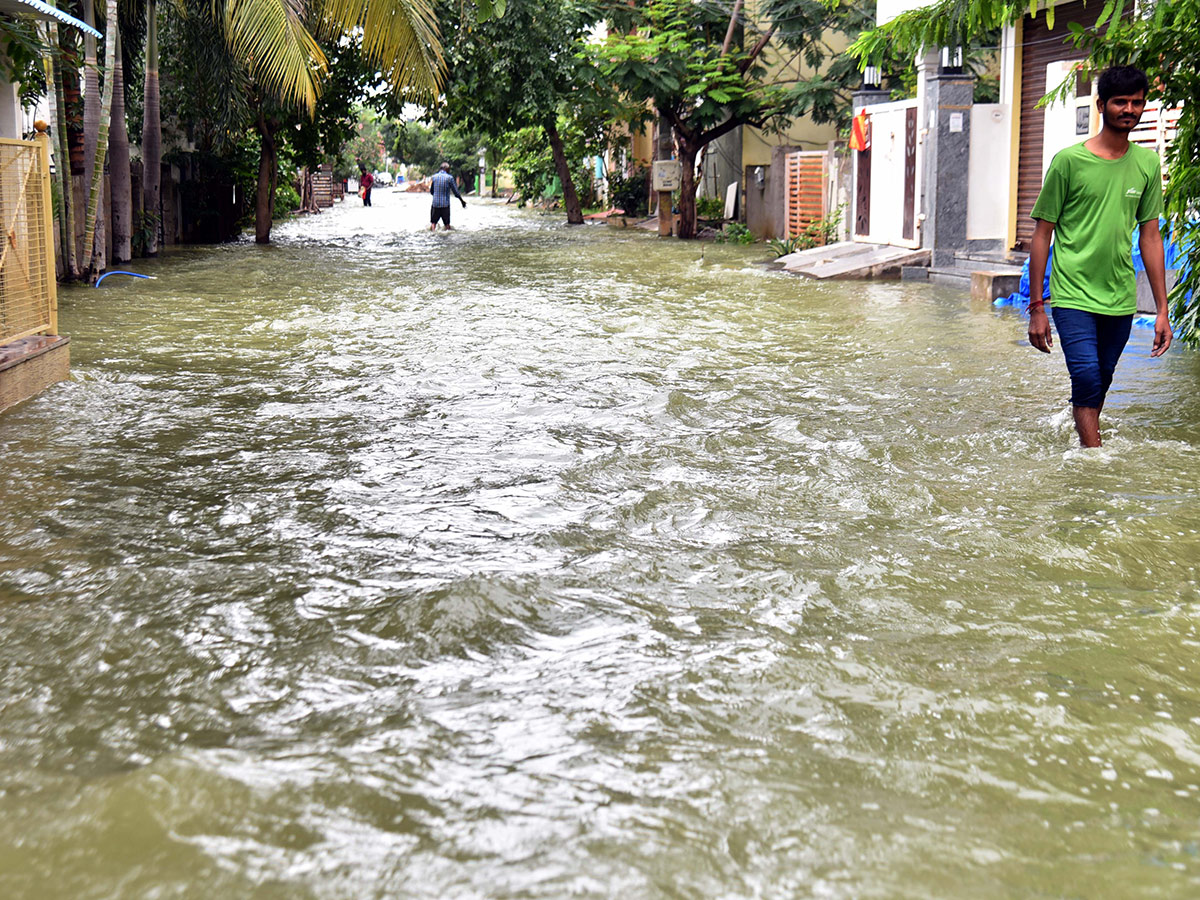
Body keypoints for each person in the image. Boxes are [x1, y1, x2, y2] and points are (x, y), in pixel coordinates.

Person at [1027, 64, 1172, 448]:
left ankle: (1081, 425)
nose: (1129, 109)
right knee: (1089, 375)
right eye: (1120, 102)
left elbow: (1151, 236)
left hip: (1119, 295)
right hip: (1072, 293)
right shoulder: (1069, 161)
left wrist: (1162, 310)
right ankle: (1093, 459)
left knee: (1102, 376)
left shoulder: (1147, 164)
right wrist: (1037, 306)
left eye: (1137, 103)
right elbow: (1042, 234)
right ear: (1101, 105)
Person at [429, 162, 466, 231]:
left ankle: (432, 234)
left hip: (435, 204)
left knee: (433, 223)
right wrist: (462, 201)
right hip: (445, 205)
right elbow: (456, 192)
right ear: (447, 169)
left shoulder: (434, 177)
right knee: (447, 225)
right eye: (449, 169)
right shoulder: (449, 178)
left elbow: (431, 192)